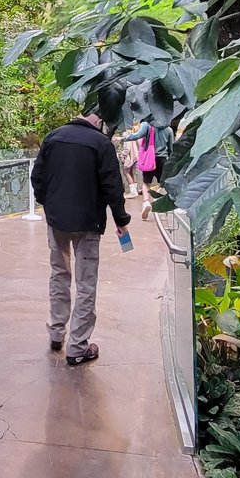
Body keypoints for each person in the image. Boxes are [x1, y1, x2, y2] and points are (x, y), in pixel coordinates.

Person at [32, 109, 130, 366]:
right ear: (100, 120)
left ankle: (56, 333)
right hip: (88, 222)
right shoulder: (101, 143)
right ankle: (77, 346)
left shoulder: (54, 137)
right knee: (86, 283)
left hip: (57, 221)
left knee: (59, 274)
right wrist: (121, 220)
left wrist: (49, 204)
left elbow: (37, 177)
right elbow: (113, 186)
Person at [123, 119, 175, 220]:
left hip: (149, 159)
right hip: (162, 159)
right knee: (162, 184)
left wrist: (122, 139)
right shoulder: (168, 129)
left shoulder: (147, 125)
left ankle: (146, 202)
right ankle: (162, 209)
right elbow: (171, 148)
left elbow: (137, 135)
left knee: (146, 183)